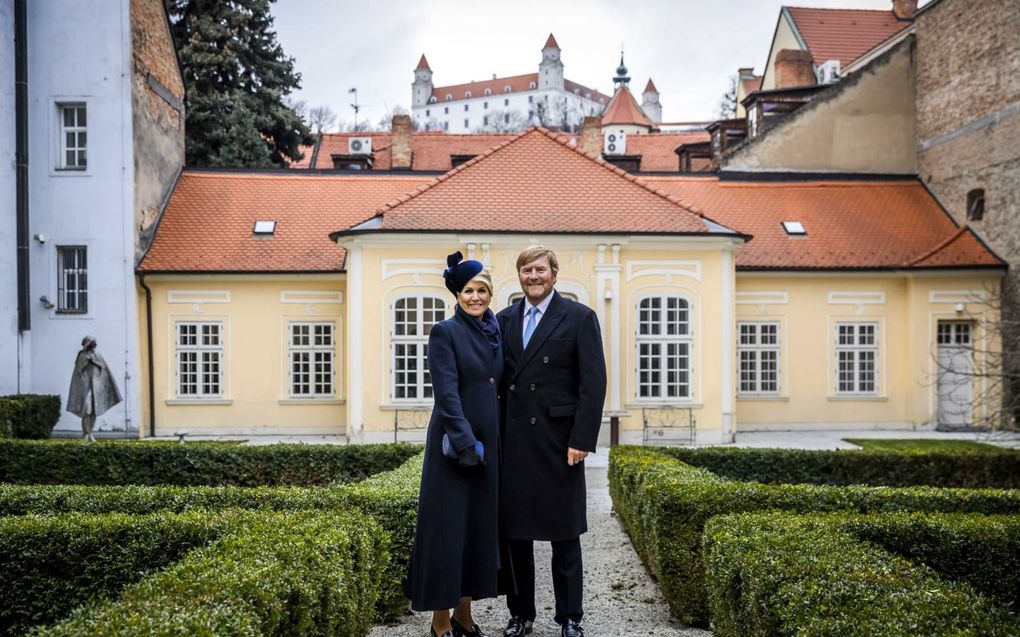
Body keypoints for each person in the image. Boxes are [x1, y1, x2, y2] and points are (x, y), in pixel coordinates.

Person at [497, 246, 607, 637]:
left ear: (554, 274)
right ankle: (521, 614)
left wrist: (582, 439)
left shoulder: (578, 318)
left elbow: (593, 385)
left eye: (540, 269)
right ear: (519, 276)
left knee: (564, 536)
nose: (533, 276)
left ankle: (570, 617)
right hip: (514, 445)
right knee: (516, 537)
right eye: (526, 270)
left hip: (560, 444)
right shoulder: (504, 319)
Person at [407, 252, 504, 637]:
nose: (475, 297)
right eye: (468, 291)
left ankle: (465, 615)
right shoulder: (445, 332)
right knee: (447, 533)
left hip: (488, 447)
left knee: (475, 532)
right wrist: (466, 444)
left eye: (481, 290)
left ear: (490, 294)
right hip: (455, 446)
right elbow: (446, 393)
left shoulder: (494, 332)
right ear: (457, 294)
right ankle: (440, 620)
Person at [66, 335, 123, 442]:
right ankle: (85, 433)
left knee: (93, 411)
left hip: (95, 388)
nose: (93, 345)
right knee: (86, 410)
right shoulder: (82, 355)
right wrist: (86, 362)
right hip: (85, 387)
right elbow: (78, 371)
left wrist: (94, 361)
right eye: (91, 342)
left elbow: (103, 367)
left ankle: (90, 433)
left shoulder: (97, 354)